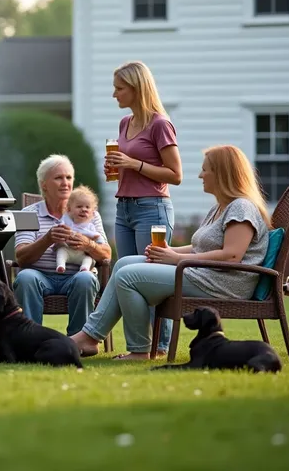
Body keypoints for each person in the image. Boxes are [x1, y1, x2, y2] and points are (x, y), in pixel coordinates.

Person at [71, 145, 271, 360]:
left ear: (222, 173)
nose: (200, 175)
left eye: (206, 170)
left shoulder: (241, 207)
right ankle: (91, 337)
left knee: (128, 277)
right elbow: (204, 247)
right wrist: (170, 251)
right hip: (205, 274)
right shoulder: (222, 207)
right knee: (124, 264)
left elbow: (232, 255)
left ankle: (133, 349)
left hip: (222, 283)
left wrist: (177, 259)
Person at [103, 60, 182, 357]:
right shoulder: (125, 124)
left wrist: (133, 163)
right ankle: (139, 347)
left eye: (119, 88)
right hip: (124, 209)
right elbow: (131, 167)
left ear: (136, 89)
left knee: (151, 280)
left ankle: (160, 347)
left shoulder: (161, 124)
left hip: (152, 210)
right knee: (129, 280)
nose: (114, 94)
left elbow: (176, 175)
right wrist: (116, 167)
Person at [13, 155, 112, 336]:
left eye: (68, 178)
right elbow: (21, 257)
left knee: (86, 279)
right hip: (39, 276)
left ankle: (78, 341)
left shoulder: (89, 214)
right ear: (44, 185)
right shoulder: (27, 213)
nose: (65, 183)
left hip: (76, 276)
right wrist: (47, 239)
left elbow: (106, 254)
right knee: (25, 277)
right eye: (58, 178)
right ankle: (30, 339)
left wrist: (88, 244)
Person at [55, 186, 104, 273]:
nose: (84, 210)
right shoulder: (66, 220)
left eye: (87, 207)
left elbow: (98, 238)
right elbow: (60, 228)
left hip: (82, 253)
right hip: (68, 250)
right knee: (61, 252)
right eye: (79, 206)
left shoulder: (90, 226)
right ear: (69, 209)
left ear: (92, 212)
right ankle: (61, 266)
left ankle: (84, 268)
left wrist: (97, 240)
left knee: (89, 259)